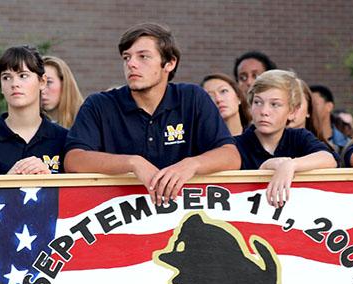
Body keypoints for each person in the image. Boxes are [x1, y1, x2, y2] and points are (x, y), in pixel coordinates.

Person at [65, 23, 240, 205]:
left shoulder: (192, 97)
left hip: (186, 214)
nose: (131, 64)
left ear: (170, 63)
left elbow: (230, 156)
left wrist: (191, 164)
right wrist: (133, 163)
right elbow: (74, 160)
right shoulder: (99, 104)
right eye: (126, 57)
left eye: (143, 57)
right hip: (117, 219)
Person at [235, 70, 337, 208]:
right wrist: (264, 167)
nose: (264, 111)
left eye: (274, 104)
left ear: (292, 111)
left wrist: (290, 165)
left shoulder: (299, 137)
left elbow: (329, 158)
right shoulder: (235, 144)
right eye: (257, 102)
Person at [0, 46, 68, 175]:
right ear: (0, 86)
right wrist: (7, 184)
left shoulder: (65, 139)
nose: (14, 83)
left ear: (42, 81)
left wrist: (50, 182)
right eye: (6, 77)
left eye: (23, 75)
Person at [41, 55, 84, 128]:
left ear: (64, 83)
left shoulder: (86, 119)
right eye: (39, 83)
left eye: (48, 82)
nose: (42, 90)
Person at [310, 84, 350, 154]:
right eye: (308, 105)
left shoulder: (347, 145)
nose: (310, 109)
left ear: (329, 106)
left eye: (314, 104)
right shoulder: (301, 141)